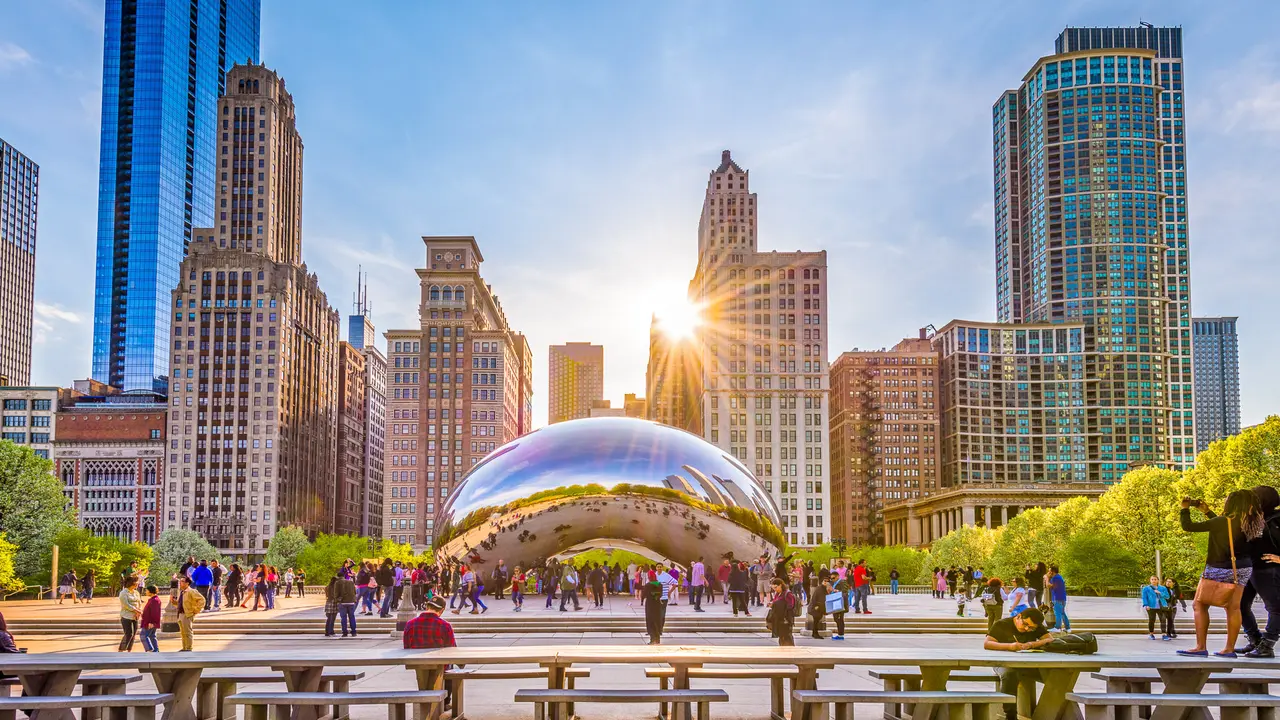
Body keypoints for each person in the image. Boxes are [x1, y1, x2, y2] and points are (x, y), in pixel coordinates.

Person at [1179, 492, 1256, 657]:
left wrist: (1185, 509)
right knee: (1234, 607)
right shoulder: (1250, 522)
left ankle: (1200, 647)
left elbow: (1189, 526)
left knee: (1199, 604)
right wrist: (1207, 511)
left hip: (1219, 566)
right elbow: (1225, 531)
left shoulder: (1221, 521)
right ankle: (1229, 649)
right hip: (1242, 568)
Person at [984, 608, 1055, 720]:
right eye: (1025, 624)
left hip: (1028, 663)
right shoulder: (1001, 624)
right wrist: (1009, 646)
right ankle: (1010, 714)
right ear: (1018, 616)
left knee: (1055, 676)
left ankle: (1056, 711)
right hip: (1003, 662)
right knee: (1009, 674)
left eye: (1031, 628)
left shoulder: (1036, 625)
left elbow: (1050, 640)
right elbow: (987, 643)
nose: (1027, 629)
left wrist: (1031, 644)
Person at [1239, 485, 1280, 658]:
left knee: (1275, 607)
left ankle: (1267, 645)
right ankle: (1255, 639)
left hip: (1268, 569)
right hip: (1250, 568)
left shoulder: (1277, 518)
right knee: (1239, 605)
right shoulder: (1252, 518)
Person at [403, 596, 458, 709]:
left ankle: (427, 705)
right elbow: (452, 649)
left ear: (427, 606)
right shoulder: (445, 625)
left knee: (424, 675)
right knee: (454, 668)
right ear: (442, 610)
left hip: (418, 663)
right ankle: (444, 703)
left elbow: (406, 646)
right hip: (440, 665)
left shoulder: (410, 624)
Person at [174, 574, 206, 651]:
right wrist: (174, 602)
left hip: (187, 614)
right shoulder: (181, 592)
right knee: (183, 632)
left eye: (182, 581)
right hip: (181, 614)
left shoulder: (191, 591)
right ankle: (185, 647)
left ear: (187, 583)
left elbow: (202, 600)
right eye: (180, 581)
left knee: (187, 632)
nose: (180, 583)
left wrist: (195, 610)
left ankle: (189, 648)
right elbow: (180, 603)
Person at [766, 577, 797, 646]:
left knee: (787, 637)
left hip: (786, 619)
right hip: (779, 619)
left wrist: (778, 605)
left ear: (780, 585)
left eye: (776, 587)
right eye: (773, 588)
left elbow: (790, 606)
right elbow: (775, 602)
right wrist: (772, 604)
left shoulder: (788, 594)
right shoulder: (777, 593)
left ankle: (790, 652)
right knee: (781, 637)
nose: (775, 589)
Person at [1141, 576, 1171, 640]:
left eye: (1155, 579)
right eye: (1152, 579)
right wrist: (1146, 605)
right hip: (1151, 606)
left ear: (1158, 580)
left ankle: (1164, 635)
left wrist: (1160, 592)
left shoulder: (1163, 588)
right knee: (1152, 620)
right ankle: (1151, 634)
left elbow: (1167, 596)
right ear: (1150, 580)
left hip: (1162, 606)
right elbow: (1144, 597)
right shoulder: (1146, 588)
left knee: (1163, 620)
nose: (1153, 581)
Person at [117, 575, 142, 652]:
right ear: (132, 583)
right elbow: (126, 604)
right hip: (126, 616)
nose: (138, 583)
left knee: (134, 634)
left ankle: (129, 650)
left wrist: (139, 611)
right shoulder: (123, 593)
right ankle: (121, 649)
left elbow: (139, 602)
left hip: (135, 616)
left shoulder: (136, 592)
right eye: (136, 582)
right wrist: (135, 610)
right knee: (128, 634)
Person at [1047, 565, 1071, 633]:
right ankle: (1068, 628)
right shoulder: (1059, 577)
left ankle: (1057, 628)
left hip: (1057, 598)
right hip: (1062, 598)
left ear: (1052, 571)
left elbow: (1048, 585)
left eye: (1049, 570)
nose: (1049, 572)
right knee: (1062, 613)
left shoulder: (1055, 578)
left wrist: (1046, 578)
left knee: (1058, 613)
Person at [333, 571, 358, 637]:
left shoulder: (337, 583)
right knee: (352, 617)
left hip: (343, 602)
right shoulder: (351, 582)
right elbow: (354, 592)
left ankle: (345, 632)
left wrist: (337, 600)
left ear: (338, 576)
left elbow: (336, 593)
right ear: (344, 576)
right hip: (351, 602)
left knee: (343, 618)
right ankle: (354, 632)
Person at [643, 570, 665, 644]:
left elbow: (644, 595)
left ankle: (652, 639)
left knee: (650, 621)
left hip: (650, 604)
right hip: (657, 604)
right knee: (657, 620)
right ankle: (658, 639)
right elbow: (661, 594)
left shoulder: (648, 585)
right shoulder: (660, 585)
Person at [822, 575, 846, 640]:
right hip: (835, 603)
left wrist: (835, 590)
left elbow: (844, 592)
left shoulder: (842, 582)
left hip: (840, 604)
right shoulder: (833, 583)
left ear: (837, 576)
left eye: (833, 578)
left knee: (839, 619)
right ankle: (840, 634)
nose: (832, 579)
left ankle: (841, 635)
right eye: (831, 578)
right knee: (836, 619)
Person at [139, 585, 162, 652]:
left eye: (147, 590)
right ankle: (155, 650)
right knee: (152, 636)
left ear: (150, 591)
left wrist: (152, 623)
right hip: (149, 621)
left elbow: (154, 613)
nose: (146, 591)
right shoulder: (153, 599)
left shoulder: (154, 600)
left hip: (149, 622)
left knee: (143, 636)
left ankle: (150, 649)